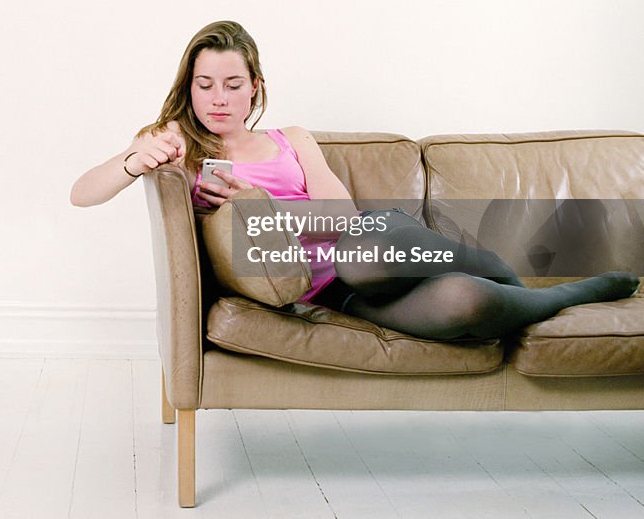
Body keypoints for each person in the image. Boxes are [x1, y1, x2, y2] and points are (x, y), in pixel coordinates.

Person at [70, 20, 639, 341]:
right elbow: (82, 193)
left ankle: (500, 267)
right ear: (189, 87)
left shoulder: (293, 139)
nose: (217, 98)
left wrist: (264, 206)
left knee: (361, 254)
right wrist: (133, 158)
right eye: (204, 84)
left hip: (374, 245)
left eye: (231, 83)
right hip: (332, 294)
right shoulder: (179, 148)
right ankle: (570, 292)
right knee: (466, 306)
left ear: (254, 87)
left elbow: (341, 220)